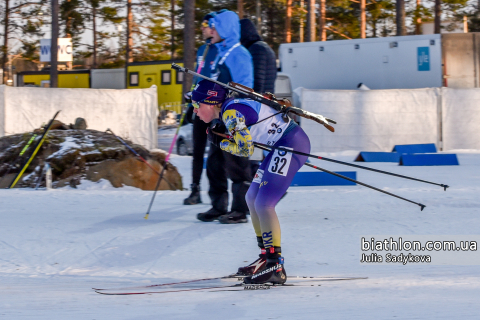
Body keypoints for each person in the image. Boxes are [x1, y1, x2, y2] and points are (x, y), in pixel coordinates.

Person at [191, 79, 311, 284]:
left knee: (265, 203)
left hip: (290, 144)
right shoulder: (228, 110)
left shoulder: (230, 113)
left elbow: (245, 150)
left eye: (196, 105)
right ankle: (266, 258)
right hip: (280, 146)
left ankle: (275, 264)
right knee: (251, 197)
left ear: (211, 103)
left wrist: (220, 142)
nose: (195, 111)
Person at [196, 10, 254, 224]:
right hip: (219, 117)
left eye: (214, 27)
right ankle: (218, 205)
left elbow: (245, 88)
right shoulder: (221, 53)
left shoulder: (239, 54)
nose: (210, 31)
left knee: (237, 163)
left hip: (235, 116)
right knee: (215, 163)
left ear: (225, 29)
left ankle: (240, 209)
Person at [183, 12, 220, 205]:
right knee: (197, 150)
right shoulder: (202, 50)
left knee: (217, 153)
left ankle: (221, 194)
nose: (202, 28)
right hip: (200, 107)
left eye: (205, 25)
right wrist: (191, 96)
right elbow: (198, 77)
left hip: (215, 108)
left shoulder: (221, 50)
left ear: (214, 27)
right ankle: (195, 190)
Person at [239, 18, 278, 176]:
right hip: (267, 106)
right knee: (259, 149)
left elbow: (257, 82)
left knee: (253, 150)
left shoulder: (256, 50)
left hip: (259, 107)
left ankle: (261, 185)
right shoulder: (265, 48)